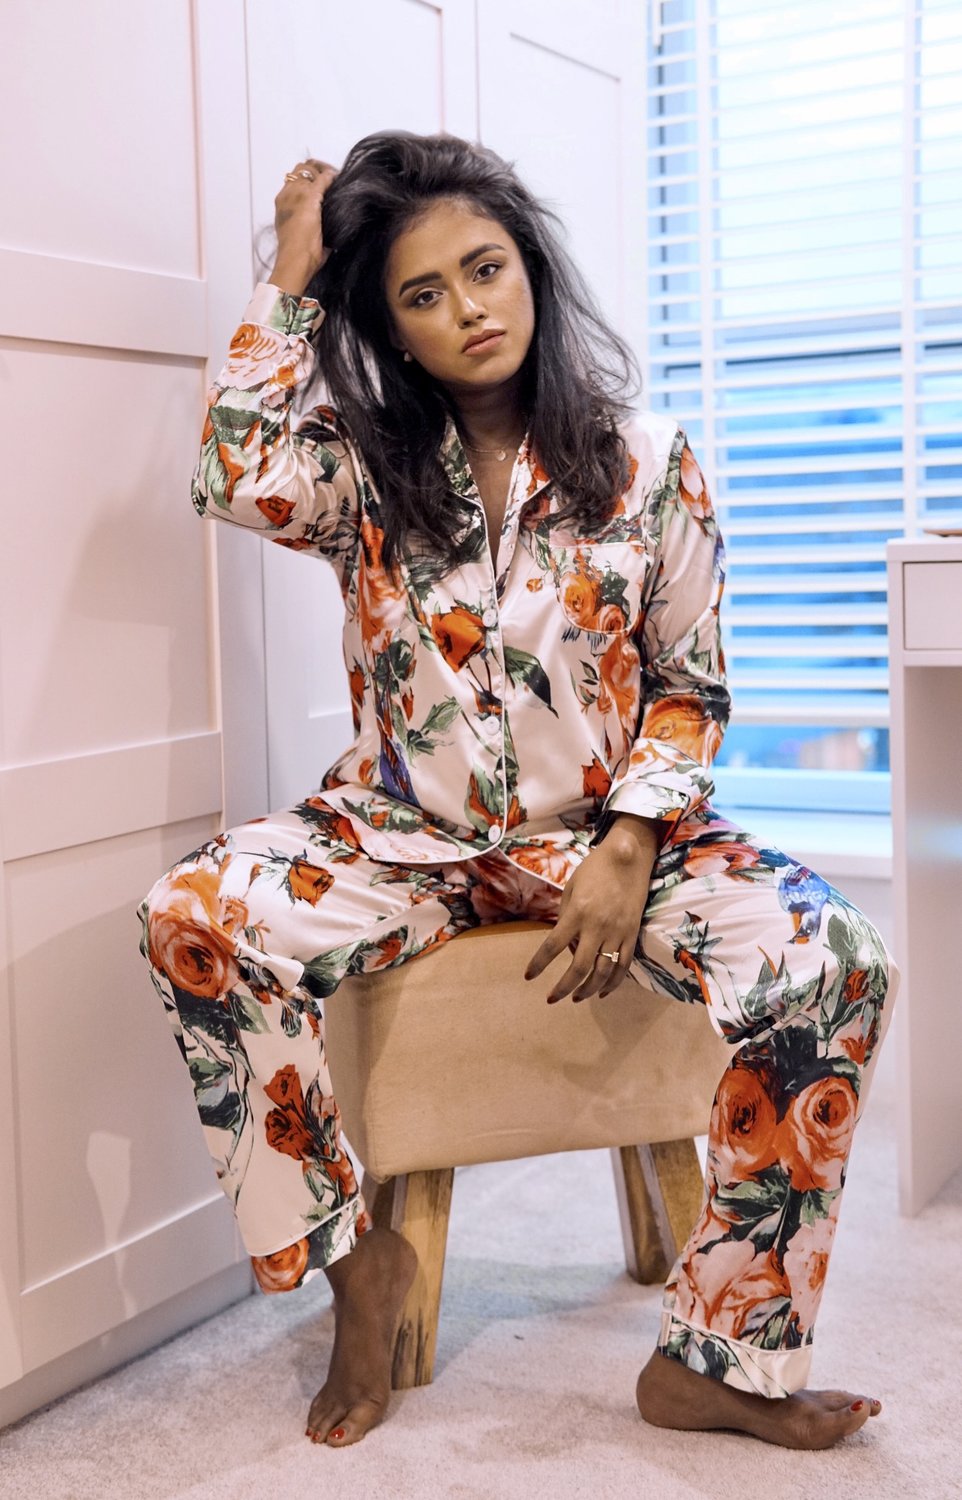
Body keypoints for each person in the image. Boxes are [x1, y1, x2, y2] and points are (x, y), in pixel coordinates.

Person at [140, 131, 897, 1452]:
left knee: (833, 961)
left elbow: (689, 681)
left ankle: (720, 1355)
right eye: (420, 295)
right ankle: (351, 1266)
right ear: (390, 326)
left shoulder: (645, 462)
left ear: (530, 268)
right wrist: (297, 273)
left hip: (615, 834)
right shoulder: (364, 471)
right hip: (403, 836)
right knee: (192, 916)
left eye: (483, 270)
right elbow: (229, 475)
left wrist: (625, 842)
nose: (466, 310)